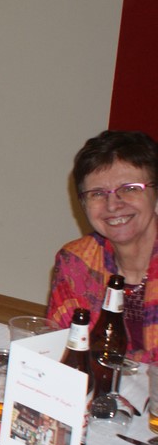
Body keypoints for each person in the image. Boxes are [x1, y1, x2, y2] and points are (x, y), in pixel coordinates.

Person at [47, 130, 158, 365]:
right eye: (97, 193)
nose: (113, 205)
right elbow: (67, 353)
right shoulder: (75, 263)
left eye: (129, 188)